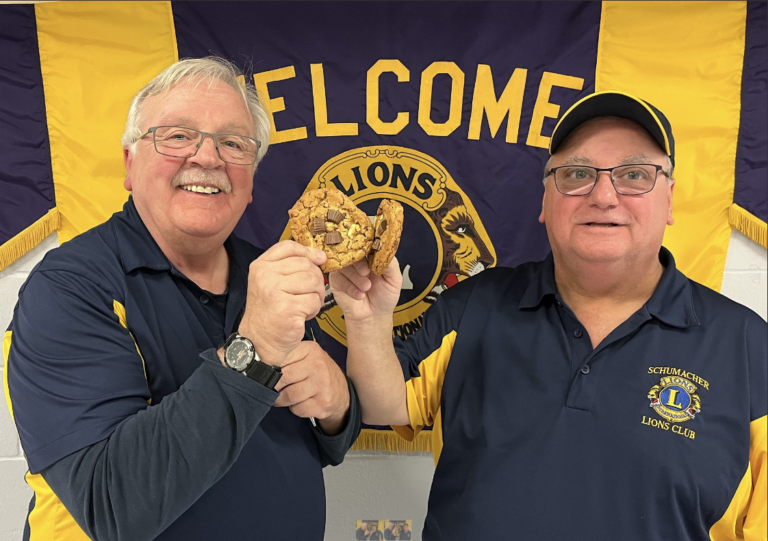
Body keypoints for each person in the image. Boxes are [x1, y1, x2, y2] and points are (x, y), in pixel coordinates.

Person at [331, 91, 767, 540]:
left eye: (634, 175)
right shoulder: (476, 304)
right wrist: (366, 319)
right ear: (545, 202)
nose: (602, 195)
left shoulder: (748, 346)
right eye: (577, 174)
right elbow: (384, 405)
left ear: (670, 200)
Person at [4, 57, 361, 541]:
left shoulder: (271, 274)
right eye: (176, 136)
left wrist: (337, 405)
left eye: (233, 143)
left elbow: (317, 438)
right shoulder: (69, 289)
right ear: (130, 165)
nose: (208, 158)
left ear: (251, 181)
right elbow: (114, 506)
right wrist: (253, 347)